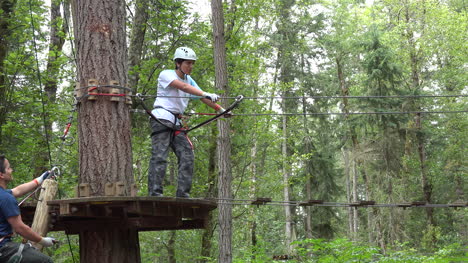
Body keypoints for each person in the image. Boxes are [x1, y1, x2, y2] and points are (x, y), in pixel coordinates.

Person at [148, 47, 229, 198]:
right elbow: (185, 87)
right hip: (162, 118)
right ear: (178, 63)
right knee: (160, 156)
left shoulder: (189, 80)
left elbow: (202, 97)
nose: (191, 66)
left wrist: (222, 110)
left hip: (177, 122)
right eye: (188, 63)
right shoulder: (166, 74)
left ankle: (183, 194)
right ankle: (155, 193)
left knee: (187, 155)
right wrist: (206, 93)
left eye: (193, 63)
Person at [0, 154, 56, 263]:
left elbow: (17, 191)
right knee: (46, 261)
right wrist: (43, 241)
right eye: (8, 168)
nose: (11, 170)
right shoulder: (6, 198)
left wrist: (39, 180)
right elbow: (20, 228)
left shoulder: (4, 194)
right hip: (3, 248)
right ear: (1, 174)